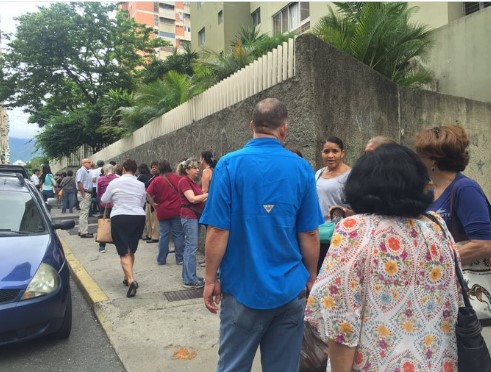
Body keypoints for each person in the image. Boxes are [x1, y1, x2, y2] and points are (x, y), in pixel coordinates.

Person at [305, 143, 460, 371]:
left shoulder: (355, 230)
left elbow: (340, 320)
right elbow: (455, 295)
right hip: (435, 361)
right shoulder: (438, 227)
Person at [201, 98, 323, 372]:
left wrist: (210, 279)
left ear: (251, 126)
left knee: (233, 367)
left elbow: (218, 229)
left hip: (241, 289)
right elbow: (310, 232)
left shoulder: (229, 165)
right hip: (290, 289)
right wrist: (312, 277)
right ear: (284, 129)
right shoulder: (302, 168)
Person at [415, 124, 491, 264]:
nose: (416, 160)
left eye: (420, 155)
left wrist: (433, 263)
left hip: (466, 282)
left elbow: (484, 244)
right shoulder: (430, 192)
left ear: (433, 159)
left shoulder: (465, 189)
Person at [100, 159, 146, 298]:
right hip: (138, 216)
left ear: (124, 169)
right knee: (131, 249)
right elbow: (142, 202)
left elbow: (104, 199)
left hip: (120, 216)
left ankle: (131, 280)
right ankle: (127, 277)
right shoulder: (140, 184)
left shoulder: (114, 182)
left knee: (123, 251)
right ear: (135, 170)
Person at [315, 136, 351, 273]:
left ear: (342, 153)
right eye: (326, 151)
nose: (330, 155)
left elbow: (358, 209)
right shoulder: (318, 173)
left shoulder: (350, 175)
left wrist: (344, 210)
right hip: (318, 233)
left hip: (338, 235)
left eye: (335, 151)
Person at [177, 158, 208, 288]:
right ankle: (189, 279)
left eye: (197, 168)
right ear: (187, 170)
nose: (197, 170)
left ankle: (190, 276)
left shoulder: (192, 182)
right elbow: (192, 199)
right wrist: (209, 194)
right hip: (189, 216)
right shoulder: (184, 181)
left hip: (193, 216)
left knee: (190, 247)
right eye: (194, 168)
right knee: (191, 247)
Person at [146, 160, 184, 265]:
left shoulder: (157, 180)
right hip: (177, 209)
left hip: (162, 210)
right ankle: (180, 258)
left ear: (160, 168)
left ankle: (161, 259)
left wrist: (153, 204)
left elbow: (148, 194)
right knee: (178, 234)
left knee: (164, 235)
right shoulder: (177, 178)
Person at [97, 164, 118, 253]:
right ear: (113, 170)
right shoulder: (117, 179)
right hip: (115, 204)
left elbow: (98, 193)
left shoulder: (101, 179)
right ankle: (117, 242)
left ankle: (102, 245)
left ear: (105, 171)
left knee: (103, 224)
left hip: (104, 204)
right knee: (116, 223)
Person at [137, 163, 159, 242]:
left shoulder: (157, 177)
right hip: (148, 200)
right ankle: (149, 235)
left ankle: (155, 236)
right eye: (152, 167)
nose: (153, 169)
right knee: (148, 219)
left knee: (153, 220)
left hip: (153, 200)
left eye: (155, 167)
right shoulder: (152, 177)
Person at [76, 158, 94, 238]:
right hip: (85, 193)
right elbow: (79, 182)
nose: (90, 163)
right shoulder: (82, 171)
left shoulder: (85, 171)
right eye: (89, 162)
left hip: (85, 193)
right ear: (83, 163)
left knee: (83, 213)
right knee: (84, 213)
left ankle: (81, 230)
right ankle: (84, 232)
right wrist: (83, 193)